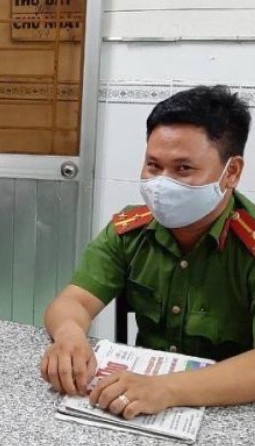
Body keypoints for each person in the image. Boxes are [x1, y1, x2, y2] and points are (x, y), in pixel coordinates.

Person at [41, 85, 255, 419]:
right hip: (139, 406)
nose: (161, 183)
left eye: (183, 169)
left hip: (227, 413)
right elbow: (74, 300)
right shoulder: (131, 231)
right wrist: (69, 334)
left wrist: (168, 390)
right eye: (153, 165)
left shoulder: (249, 243)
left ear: (232, 172)